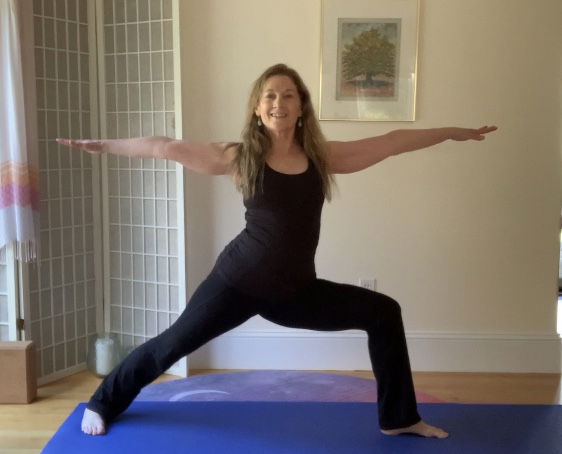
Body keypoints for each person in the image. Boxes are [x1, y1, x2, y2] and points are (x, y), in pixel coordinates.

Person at [58, 63, 497, 438]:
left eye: (288, 95)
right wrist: (105, 146)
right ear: (257, 107)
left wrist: (451, 133)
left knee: (384, 312)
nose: (278, 103)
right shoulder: (240, 156)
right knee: (169, 346)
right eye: (269, 95)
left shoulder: (322, 157)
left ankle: (399, 419)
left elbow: (392, 141)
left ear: (302, 106)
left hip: (295, 291)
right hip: (237, 282)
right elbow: (164, 147)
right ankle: (103, 402)